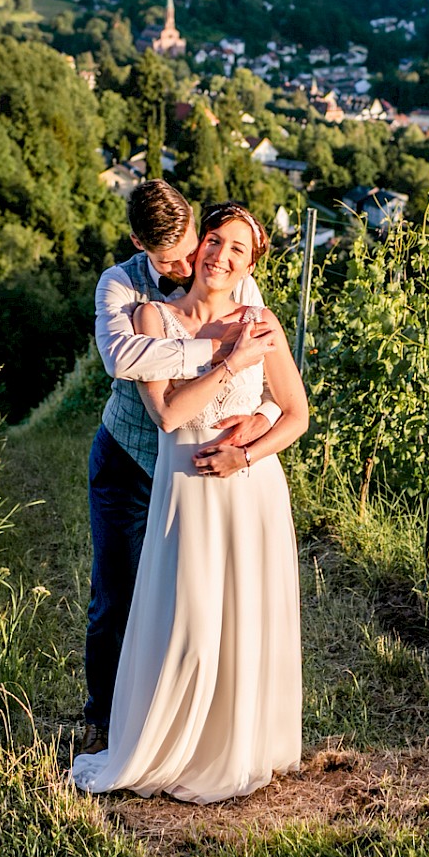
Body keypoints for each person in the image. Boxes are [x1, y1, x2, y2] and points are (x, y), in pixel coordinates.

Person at [74, 201, 309, 803]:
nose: (211, 258)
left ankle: (236, 739)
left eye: (234, 249)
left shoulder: (255, 309)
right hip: (139, 464)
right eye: (211, 244)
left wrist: (251, 441)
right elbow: (167, 409)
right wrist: (228, 360)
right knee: (138, 603)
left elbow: (294, 410)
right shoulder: (133, 298)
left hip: (245, 488)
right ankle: (113, 723)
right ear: (148, 247)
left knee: (238, 617)